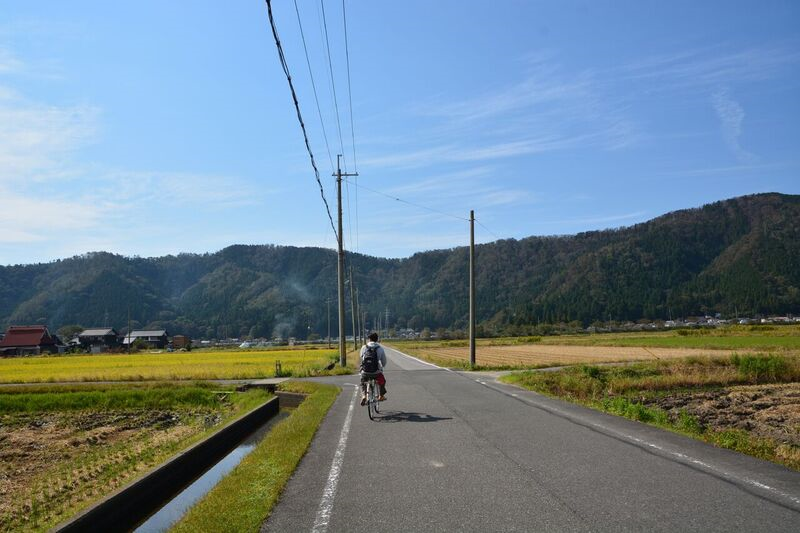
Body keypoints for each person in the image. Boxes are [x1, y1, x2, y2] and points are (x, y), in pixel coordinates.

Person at [360, 332, 387, 405]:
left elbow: (362, 357)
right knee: (382, 381)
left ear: (369, 339)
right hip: (376, 372)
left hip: (365, 372)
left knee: (363, 382)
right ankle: (381, 395)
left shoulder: (364, 347)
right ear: (377, 339)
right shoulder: (380, 348)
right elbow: (384, 361)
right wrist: (382, 367)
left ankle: (364, 396)